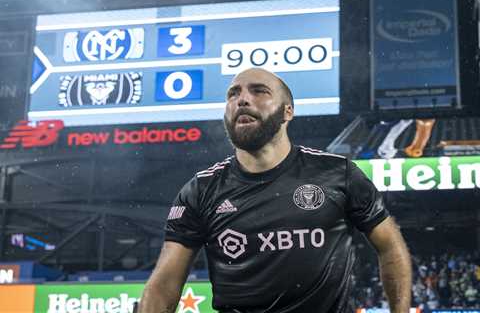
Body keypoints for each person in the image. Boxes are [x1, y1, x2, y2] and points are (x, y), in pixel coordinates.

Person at [138, 68, 412, 313]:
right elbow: (164, 285)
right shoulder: (200, 190)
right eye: (233, 94)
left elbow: (390, 245)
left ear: (287, 111)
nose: (242, 99)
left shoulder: (338, 173)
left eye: (259, 91)